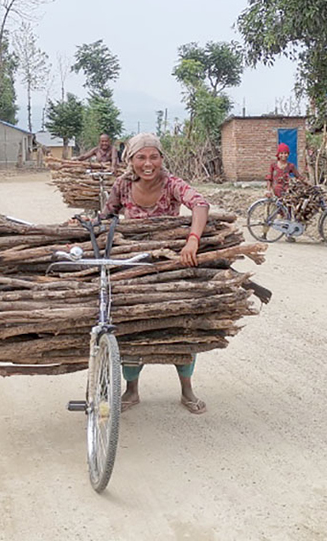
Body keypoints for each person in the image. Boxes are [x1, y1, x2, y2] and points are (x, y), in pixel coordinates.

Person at [100, 132, 210, 414]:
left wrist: (193, 239)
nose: (147, 163)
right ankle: (132, 390)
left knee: (180, 324)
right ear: (131, 160)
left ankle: (187, 390)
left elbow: (200, 204)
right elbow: (106, 216)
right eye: (141, 157)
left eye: (154, 157)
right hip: (133, 266)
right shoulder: (123, 185)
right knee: (130, 326)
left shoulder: (172, 183)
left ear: (162, 159)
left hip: (169, 265)